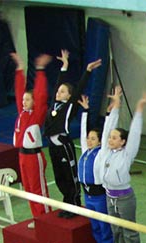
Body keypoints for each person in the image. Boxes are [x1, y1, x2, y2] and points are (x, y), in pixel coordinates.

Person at [94, 87, 146, 243]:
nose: (110, 139)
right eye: (110, 137)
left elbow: (134, 133)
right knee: (116, 231)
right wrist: (115, 106)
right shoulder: (106, 150)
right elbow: (108, 128)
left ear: (123, 142)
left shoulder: (127, 154)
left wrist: (139, 110)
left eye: (115, 138)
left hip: (124, 197)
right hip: (110, 197)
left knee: (129, 232)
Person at [43, 49, 102, 218]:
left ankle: (75, 204)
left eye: (63, 91)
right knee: (59, 177)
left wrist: (88, 70)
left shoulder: (69, 106)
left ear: (69, 95)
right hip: (52, 147)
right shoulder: (54, 104)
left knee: (70, 176)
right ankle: (67, 203)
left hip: (64, 146)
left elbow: (78, 89)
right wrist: (65, 66)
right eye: (58, 91)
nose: (58, 92)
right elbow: (57, 83)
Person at [10, 52, 52, 223]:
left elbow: (41, 94)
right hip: (22, 156)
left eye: (28, 100)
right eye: (23, 100)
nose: (24, 102)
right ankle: (37, 219)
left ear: (34, 102)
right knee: (28, 189)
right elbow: (19, 90)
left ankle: (47, 220)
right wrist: (20, 69)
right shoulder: (22, 113)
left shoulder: (37, 115)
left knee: (38, 189)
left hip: (34, 157)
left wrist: (40, 70)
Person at [77, 94, 116, 243]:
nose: (89, 140)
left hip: (99, 195)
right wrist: (85, 111)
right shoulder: (86, 150)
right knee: (95, 227)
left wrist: (110, 114)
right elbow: (82, 132)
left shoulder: (102, 152)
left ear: (100, 141)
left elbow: (108, 130)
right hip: (87, 195)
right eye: (89, 138)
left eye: (93, 138)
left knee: (104, 226)